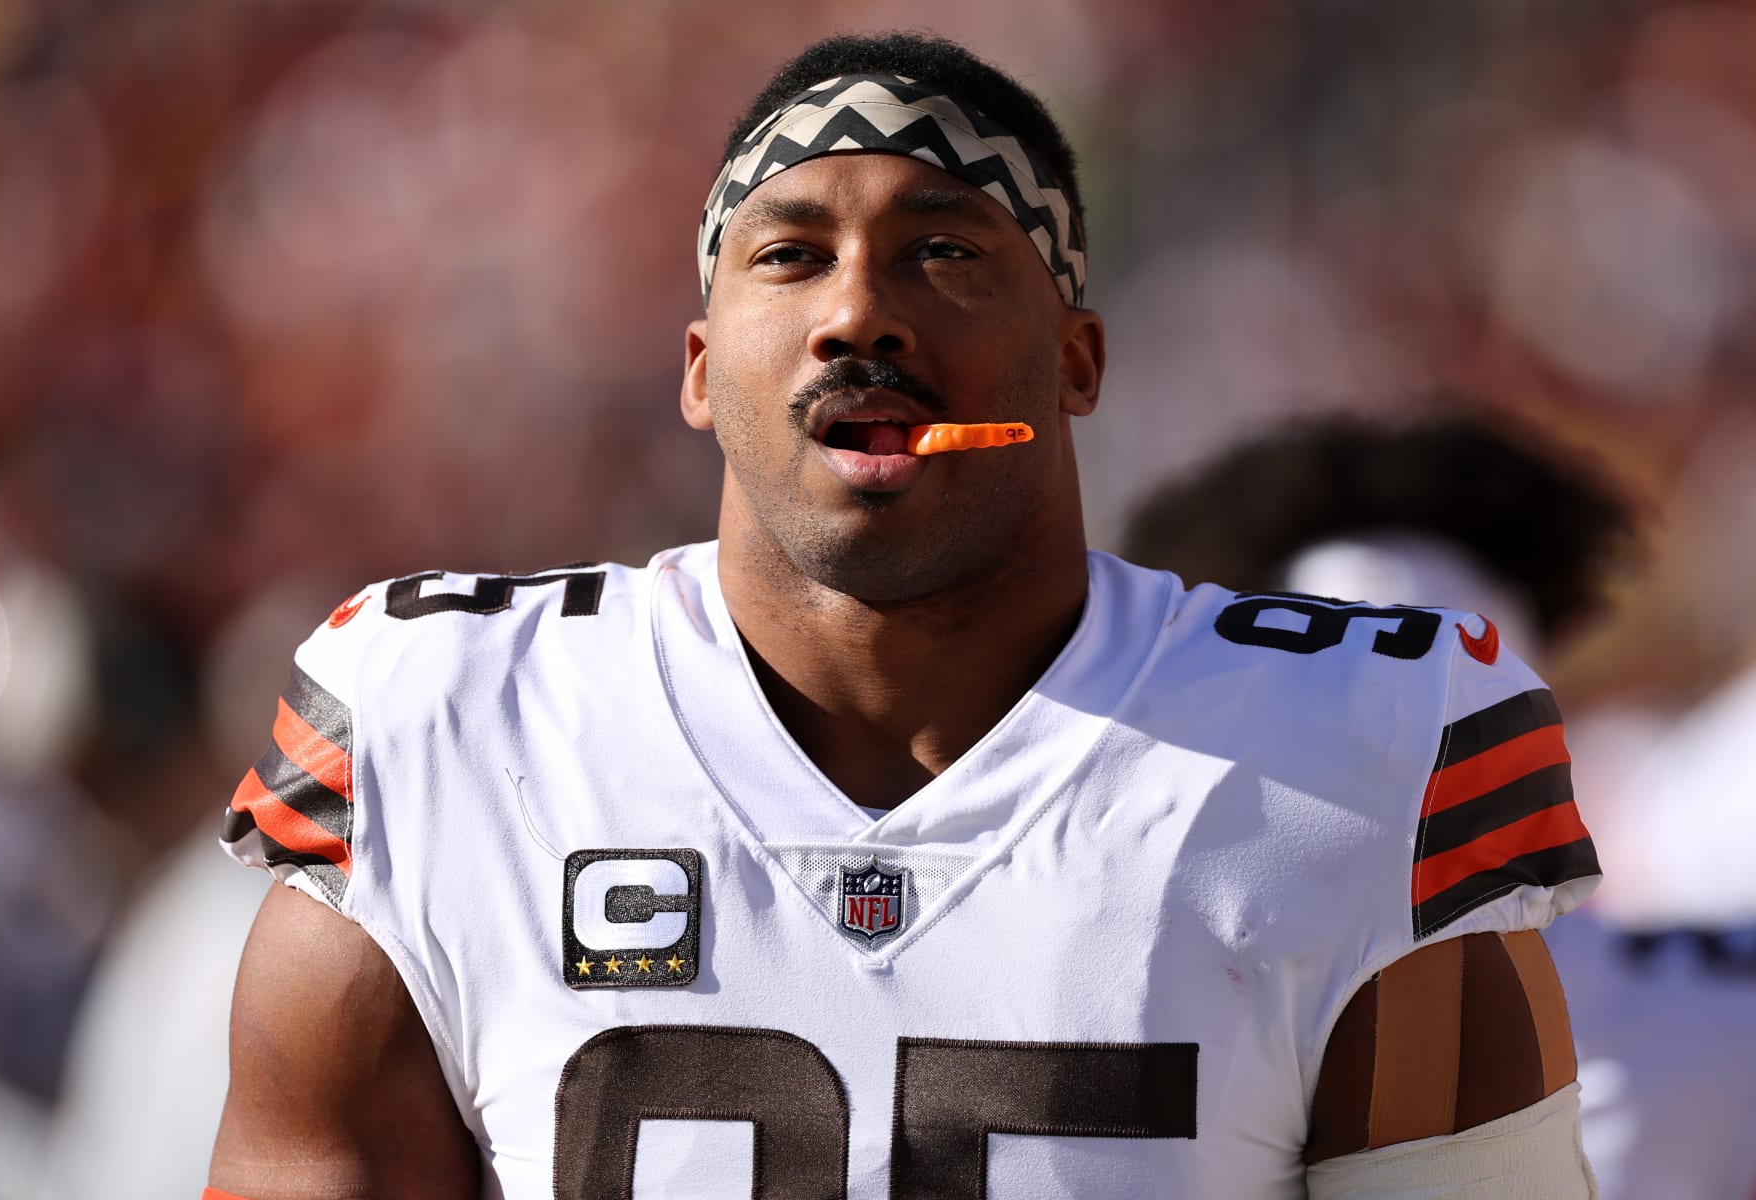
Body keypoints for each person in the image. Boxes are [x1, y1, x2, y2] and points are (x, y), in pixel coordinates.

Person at [207, 35, 1601, 1198]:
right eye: (789, 256)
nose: (858, 313)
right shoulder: (442, 730)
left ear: (1074, 361)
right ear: (700, 370)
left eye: (943, 254)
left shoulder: (1350, 764)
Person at [1123, 412, 1756, 1200]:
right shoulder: (1146, 1043)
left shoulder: (1716, 1023)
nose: (1410, 776)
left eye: (1462, 719)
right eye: (1355, 732)